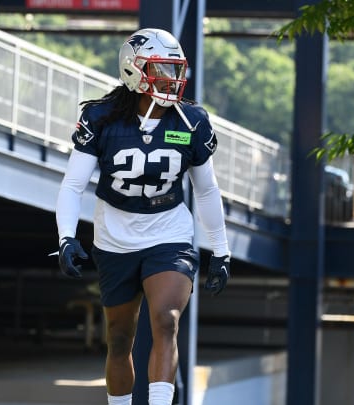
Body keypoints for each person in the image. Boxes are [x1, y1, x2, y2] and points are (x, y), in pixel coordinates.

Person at [55, 27, 231, 405]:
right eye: (162, 70)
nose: (173, 80)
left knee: (166, 320)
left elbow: (207, 190)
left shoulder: (191, 123)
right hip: (114, 236)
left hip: (169, 231)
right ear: (134, 70)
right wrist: (66, 236)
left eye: (175, 70)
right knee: (119, 338)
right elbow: (73, 185)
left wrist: (220, 249)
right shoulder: (102, 119)